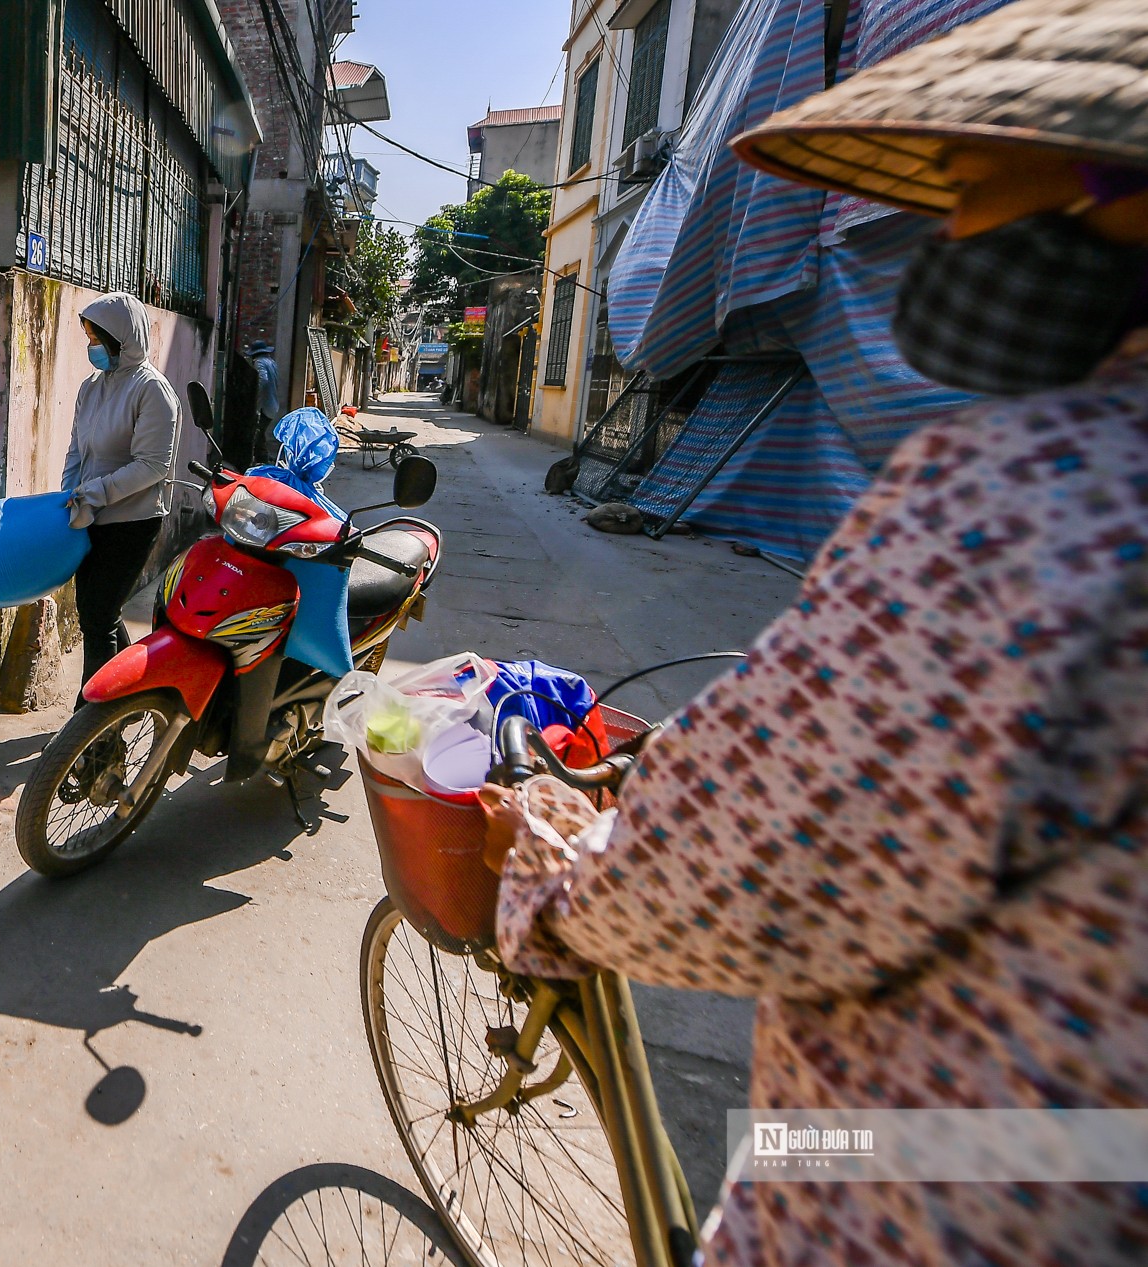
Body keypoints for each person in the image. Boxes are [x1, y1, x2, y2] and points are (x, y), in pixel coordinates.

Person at [484, 1, 1148, 1261]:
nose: (952, 234)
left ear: (1109, 193)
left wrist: (555, 891)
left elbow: (748, 857)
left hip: (975, 1178)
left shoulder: (1026, 495)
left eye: (978, 189)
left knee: (775, 1163)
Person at [63, 292, 179, 702]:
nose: (91, 346)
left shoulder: (153, 391)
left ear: (122, 339)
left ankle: (94, 728)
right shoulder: (90, 388)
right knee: (98, 615)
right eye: (89, 337)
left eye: (97, 338)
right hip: (88, 517)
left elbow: (152, 466)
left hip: (132, 522)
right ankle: (131, 688)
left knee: (98, 618)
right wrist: (68, 495)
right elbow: (77, 449)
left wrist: (94, 492)